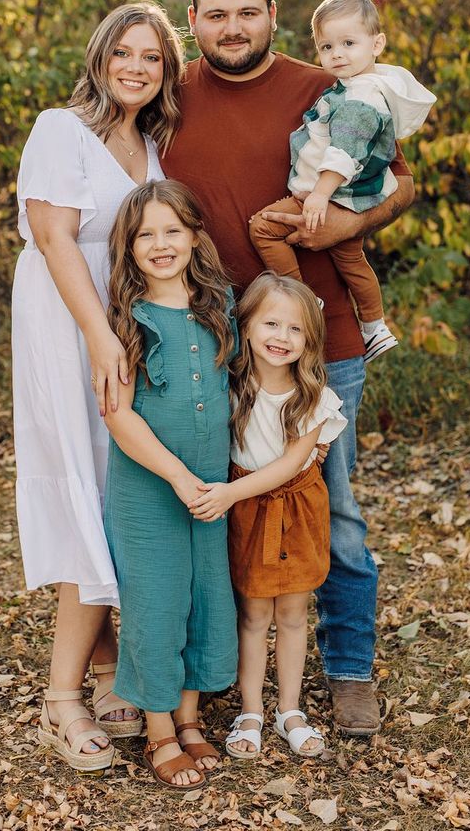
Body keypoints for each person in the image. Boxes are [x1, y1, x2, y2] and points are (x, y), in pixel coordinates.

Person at [161, 0, 416, 736]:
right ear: (193, 19)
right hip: (209, 346)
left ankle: (347, 672)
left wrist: (345, 222)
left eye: (248, 11)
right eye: (216, 13)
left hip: (322, 342)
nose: (232, 27)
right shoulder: (167, 100)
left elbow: (403, 183)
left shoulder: (328, 87)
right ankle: (215, 676)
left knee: (327, 505)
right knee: (212, 504)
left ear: (273, 15)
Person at [11, 1, 183, 771]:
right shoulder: (61, 128)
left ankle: (111, 667)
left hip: (118, 327)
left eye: (152, 56)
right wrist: (99, 335)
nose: (137, 67)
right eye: (126, 52)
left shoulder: (149, 143)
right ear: (101, 56)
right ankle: (60, 700)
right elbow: (52, 237)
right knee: (84, 481)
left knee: (115, 483)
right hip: (66, 319)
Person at [103, 180, 238, 790]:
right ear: (129, 249)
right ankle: (159, 730)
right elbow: (119, 414)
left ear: (193, 236)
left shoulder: (219, 305)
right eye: (145, 235)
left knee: (206, 596)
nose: (160, 244)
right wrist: (180, 477)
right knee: (157, 603)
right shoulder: (125, 320)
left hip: (213, 485)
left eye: (172, 231)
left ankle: (189, 718)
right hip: (151, 487)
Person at [190, 274, 347, 759]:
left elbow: (286, 465)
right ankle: (252, 710)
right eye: (271, 323)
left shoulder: (312, 396)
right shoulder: (228, 385)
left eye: (296, 329)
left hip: (296, 508)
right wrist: (231, 495)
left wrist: (228, 493)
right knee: (255, 613)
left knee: (294, 613)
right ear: (247, 326)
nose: (282, 337)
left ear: (310, 339)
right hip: (247, 512)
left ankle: (291, 710)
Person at [249, 0, 436, 363]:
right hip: (342, 196)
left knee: (263, 228)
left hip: (329, 196)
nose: (337, 54)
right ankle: (376, 327)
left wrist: (319, 195)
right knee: (351, 261)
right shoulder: (350, 87)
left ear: (377, 43)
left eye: (349, 43)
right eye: (327, 46)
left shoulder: (360, 98)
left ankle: (302, 299)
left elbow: (344, 152)